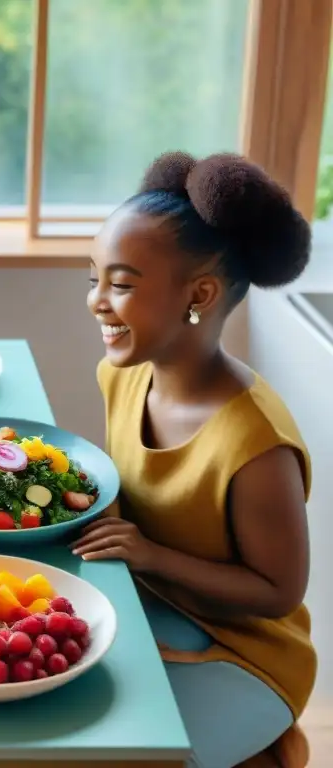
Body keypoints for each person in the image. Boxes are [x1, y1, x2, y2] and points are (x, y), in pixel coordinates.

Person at [73, 151, 316, 768]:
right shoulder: (121, 378)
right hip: (154, 610)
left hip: (248, 658)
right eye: (93, 277)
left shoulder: (253, 443)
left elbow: (279, 591)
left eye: (121, 284)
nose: (97, 301)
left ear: (199, 294)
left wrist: (151, 556)